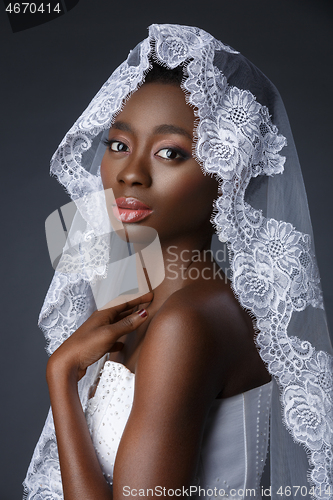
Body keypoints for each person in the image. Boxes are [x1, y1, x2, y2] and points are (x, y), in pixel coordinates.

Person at [23, 24, 333, 500]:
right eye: (119, 144)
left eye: (171, 152)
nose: (130, 173)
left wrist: (61, 378)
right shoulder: (137, 291)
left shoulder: (188, 321)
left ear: (228, 171)